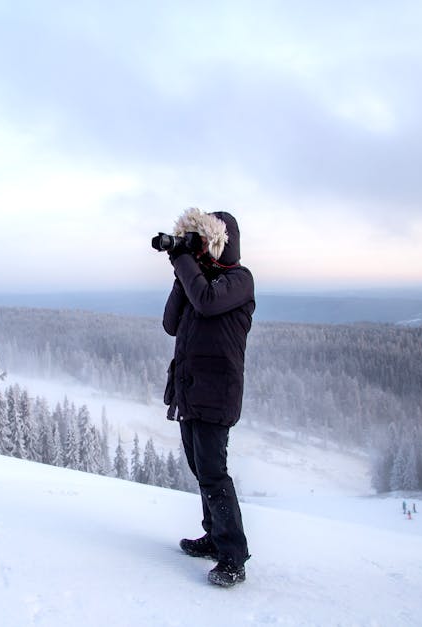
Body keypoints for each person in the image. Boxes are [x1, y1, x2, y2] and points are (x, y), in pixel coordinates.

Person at [160, 208, 255, 587]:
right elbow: (170, 324)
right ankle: (214, 537)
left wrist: (185, 263)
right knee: (201, 470)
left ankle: (233, 556)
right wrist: (181, 275)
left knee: (214, 473)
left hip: (217, 393)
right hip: (190, 389)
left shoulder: (239, 280)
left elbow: (208, 302)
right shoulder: (199, 283)